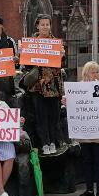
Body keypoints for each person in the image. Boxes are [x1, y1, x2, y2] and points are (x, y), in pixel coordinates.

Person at [72, 61, 99, 196]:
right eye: (92, 72)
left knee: (98, 161)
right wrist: (67, 103)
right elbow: (74, 108)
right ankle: (89, 190)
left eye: (97, 72)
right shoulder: (79, 88)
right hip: (85, 132)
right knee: (87, 161)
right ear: (86, 74)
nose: (95, 74)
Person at [22, 14, 63, 155]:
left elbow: (61, 65)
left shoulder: (56, 43)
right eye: (42, 24)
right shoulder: (31, 43)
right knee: (41, 116)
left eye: (47, 24)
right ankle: (44, 143)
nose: (45, 27)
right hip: (38, 86)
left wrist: (62, 55)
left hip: (54, 86)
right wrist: (24, 54)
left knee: (53, 116)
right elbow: (26, 66)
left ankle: (53, 141)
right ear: (37, 26)